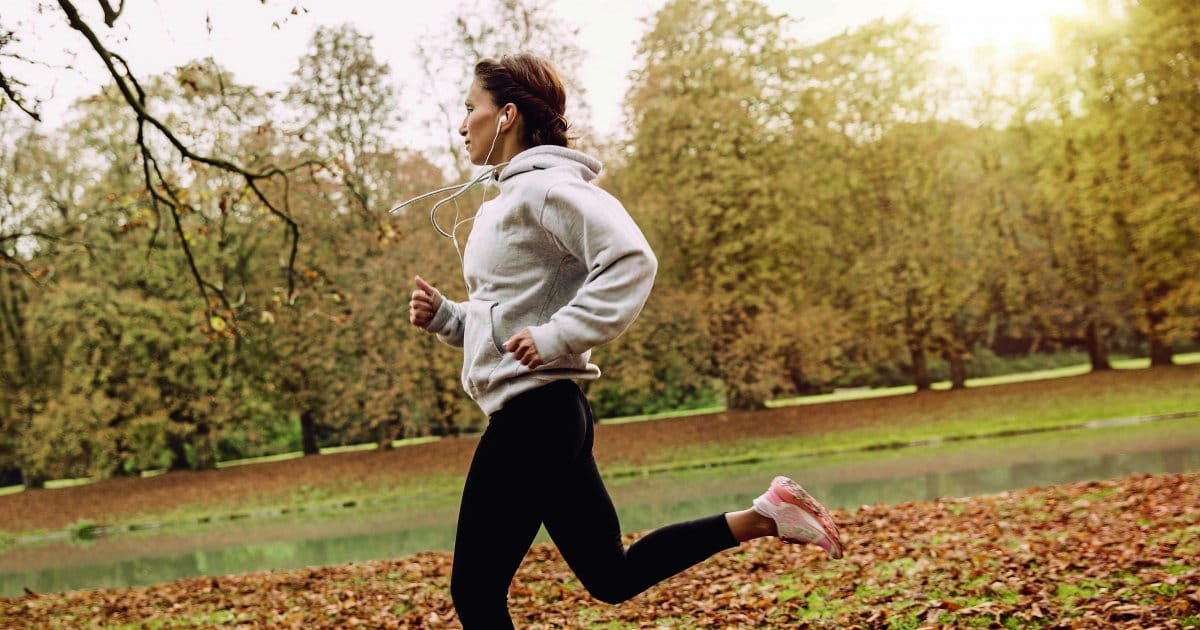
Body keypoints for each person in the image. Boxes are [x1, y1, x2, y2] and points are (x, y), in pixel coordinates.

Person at [407, 53, 843, 628]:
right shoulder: (509, 199)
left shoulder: (548, 187)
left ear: (507, 114)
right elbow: (509, 321)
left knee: (476, 592)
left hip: (535, 417)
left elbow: (631, 259)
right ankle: (767, 516)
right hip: (550, 412)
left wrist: (562, 333)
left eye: (471, 109)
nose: (462, 124)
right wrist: (448, 318)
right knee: (611, 576)